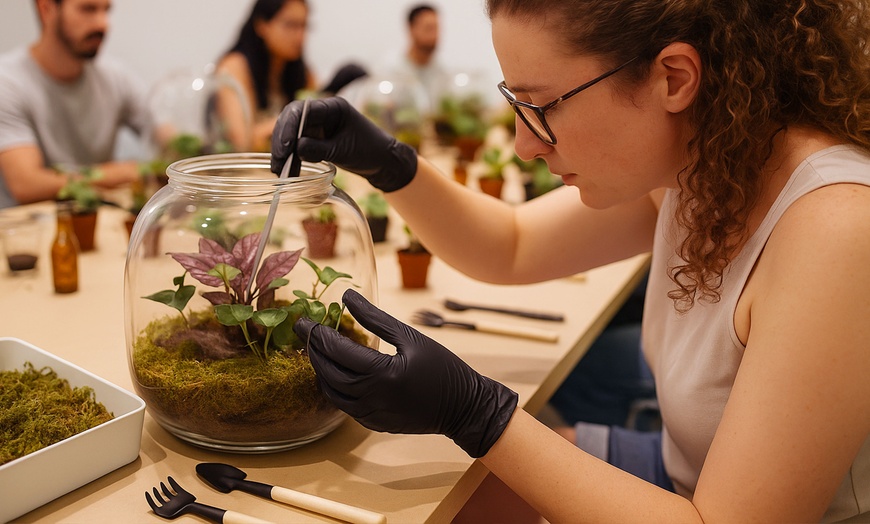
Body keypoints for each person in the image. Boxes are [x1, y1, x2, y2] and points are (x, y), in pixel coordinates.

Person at [272, 0, 870, 521]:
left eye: (544, 105)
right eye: (515, 101)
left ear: (674, 77)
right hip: (684, 474)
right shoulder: (704, 163)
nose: (524, 143)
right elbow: (510, 244)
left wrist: (476, 413)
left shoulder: (834, 231)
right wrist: (387, 161)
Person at [0, 0, 153, 210]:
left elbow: (163, 131)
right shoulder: (7, 82)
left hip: (97, 219)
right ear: (47, 9)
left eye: (106, 10)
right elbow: (26, 184)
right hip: (27, 230)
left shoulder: (115, 76)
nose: (102, 24)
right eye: (88, 9)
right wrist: (119, 173)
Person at [216, 0, 366, 152]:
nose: (300, 36)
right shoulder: (234, 66)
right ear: (261, 25)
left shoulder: (300, 71)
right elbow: (243, 141)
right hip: (240, 170)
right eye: (290, 25)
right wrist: (297, 118)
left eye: (304, 26)